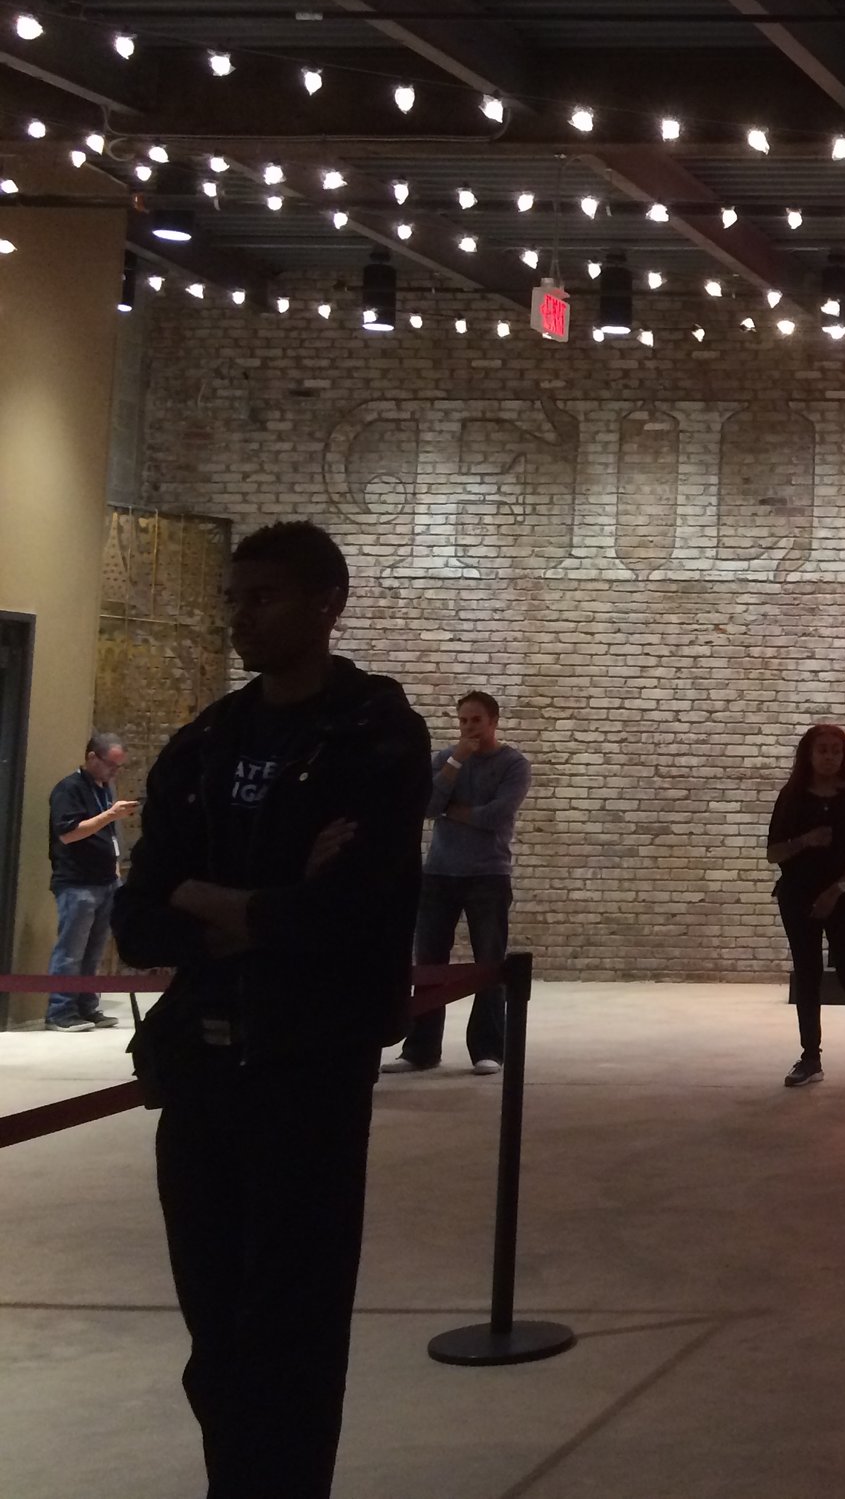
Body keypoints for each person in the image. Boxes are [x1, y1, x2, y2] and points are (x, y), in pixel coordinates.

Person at [113, 521, 430, 1499]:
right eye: (236, 598)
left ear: (326, 605)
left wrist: (219, 898)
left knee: (289, 1332)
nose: (242, 616)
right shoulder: (206, 743)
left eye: (266, 598)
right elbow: (138, 915)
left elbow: (360, 912)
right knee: (217, 1336)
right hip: (201, 1072)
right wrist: (265, 906)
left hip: (308, 1070)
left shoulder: (371, 732)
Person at [387, 690, 531, 1076]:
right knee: (429, 961)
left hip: (488, 874)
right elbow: (429, 807)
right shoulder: (446, 759)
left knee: (490, 963)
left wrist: (455, 811)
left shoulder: (513, 764)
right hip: (439, 874)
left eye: (476, 721)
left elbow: (495, 816)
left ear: (493, 722)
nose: (469, 728)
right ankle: (420, 1049)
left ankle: (488, 1049)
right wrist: (456, 763)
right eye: (463, 721)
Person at [766, 722, 845, 1089]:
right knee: (807, 976)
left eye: (835, 750)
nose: (829, 756)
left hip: (843, 896)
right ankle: (810, 1059)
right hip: (797, 896)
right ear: (808, 754)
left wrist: (837, 889)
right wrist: (805, 840)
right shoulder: (792, 796)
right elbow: (773, 853)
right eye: (822, 749)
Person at [46, 732, 139, 1031]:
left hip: (105, 882)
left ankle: (87, 1006)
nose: (114, 772)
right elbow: (68, 833)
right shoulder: (68, 789)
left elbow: (107, 836)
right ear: (91, 758)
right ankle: (60, 1012)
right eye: (111, 765)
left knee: (94, 950)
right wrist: (110, 815)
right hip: (77, 883)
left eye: (118, 767)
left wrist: (115, 868)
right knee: (70, 951)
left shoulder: (104, 788)